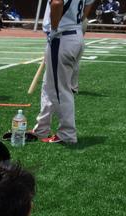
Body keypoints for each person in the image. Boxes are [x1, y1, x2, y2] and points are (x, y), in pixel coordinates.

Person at [32, 0, 87, 144]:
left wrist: (54, 28)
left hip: (62, 37)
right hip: (74, 33)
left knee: (60, 90)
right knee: (49, 86)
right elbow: (89, 4)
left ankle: (67, 133)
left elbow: (57, 3)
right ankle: (41, 129)